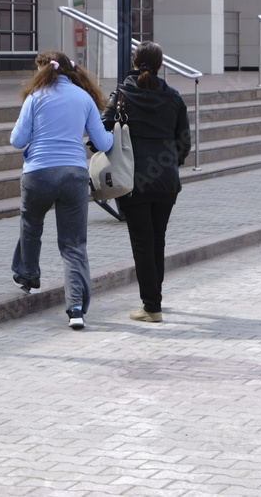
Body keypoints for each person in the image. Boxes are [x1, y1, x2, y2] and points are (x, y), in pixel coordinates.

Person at [10, 51, 113, 330]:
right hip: (74, 176)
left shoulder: (35, 97)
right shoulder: (84, 98)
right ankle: (76, 308)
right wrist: (115, 135)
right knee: (73, 244)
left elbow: (17, 140)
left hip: (38, 174)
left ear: (43, 70)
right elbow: (103, 143)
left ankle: (28, 276)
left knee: (31, 224)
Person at [101, 41, 191, 323]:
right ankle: (154, 299)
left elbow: (102, 130)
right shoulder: (173, 97)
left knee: (142, 242)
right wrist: (171, 161)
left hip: (132, 178)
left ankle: (151, 306)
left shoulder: (122, 94)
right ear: (160, 65)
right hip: (166, 180)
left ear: (133, 61)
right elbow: (184, 141)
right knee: (157, 240)